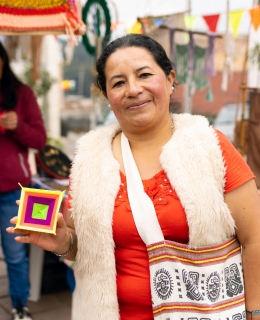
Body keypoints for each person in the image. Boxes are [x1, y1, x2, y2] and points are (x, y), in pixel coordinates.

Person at [7, 34, 260, 320]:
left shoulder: (211, 147)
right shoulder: (88, 162)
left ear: (170, 78)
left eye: (144, 75)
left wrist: (255, 311)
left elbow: (255, 239)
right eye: (118, 82)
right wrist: (63, 242)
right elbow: (83, 248)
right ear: (107, 96)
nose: (133, 89)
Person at [0, 42, 47, 320]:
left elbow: (40, 140)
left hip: (12, 192)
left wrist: (19, 127)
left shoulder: (22, 94)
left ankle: (20, 307)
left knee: (16, 255)